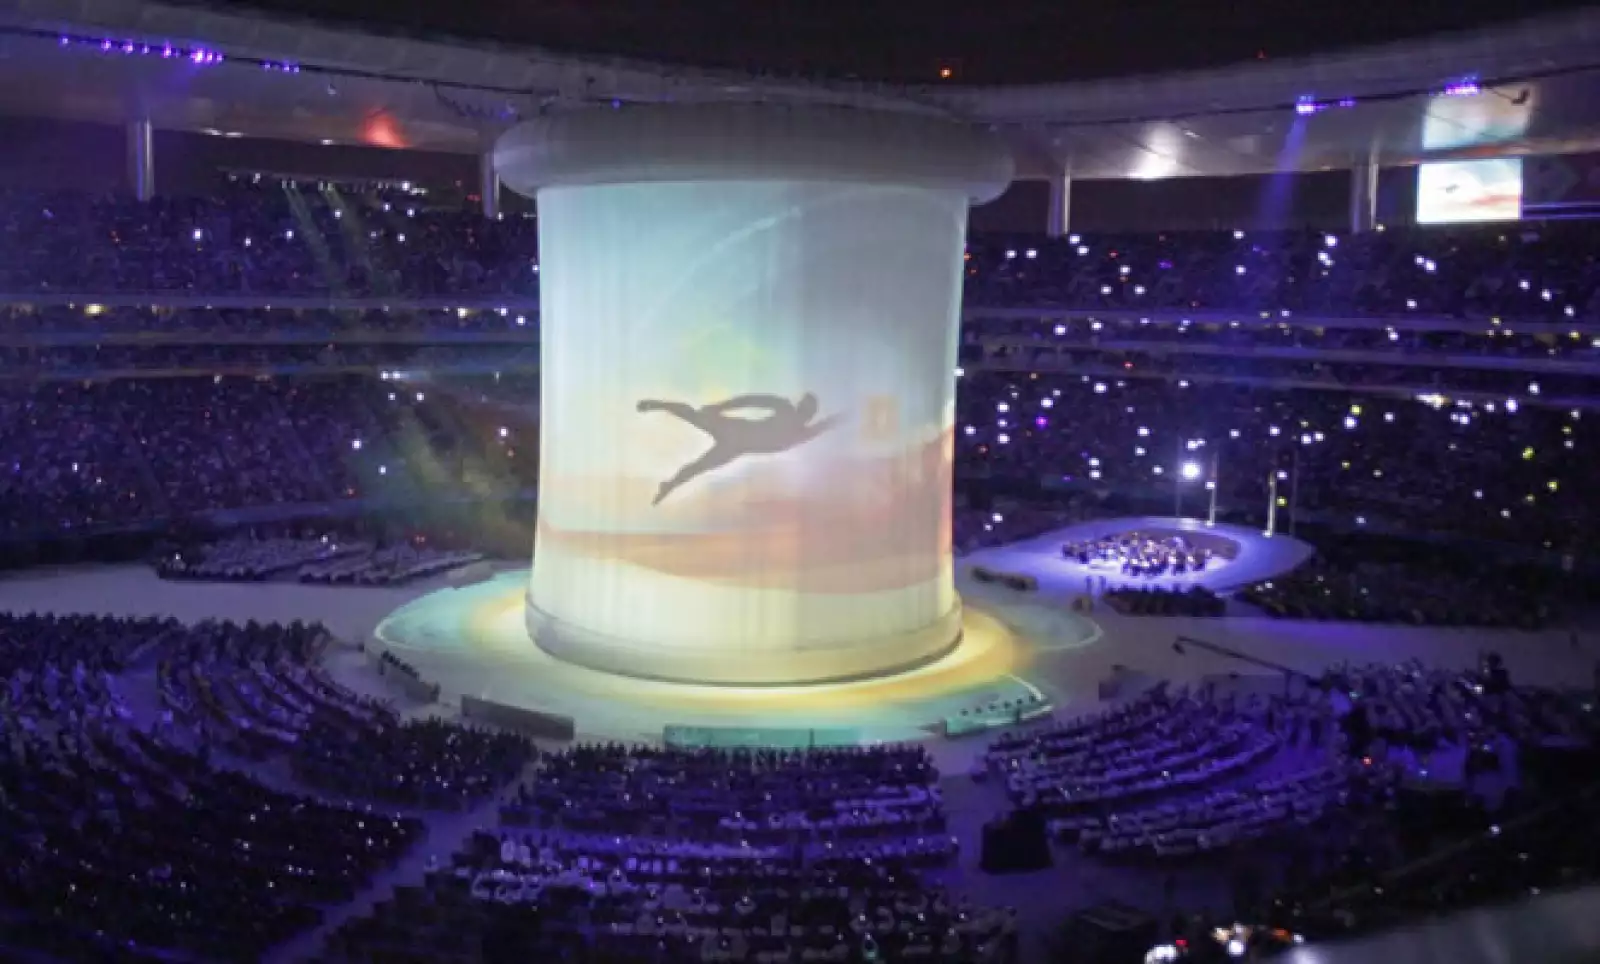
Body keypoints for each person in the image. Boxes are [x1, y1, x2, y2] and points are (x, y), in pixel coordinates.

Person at [637, 392, 841, 504]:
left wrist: (853, 413)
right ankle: (658, 405)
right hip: (734, 431)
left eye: (808, 411)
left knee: (697, 467)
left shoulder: (802, 434)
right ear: (800, 407)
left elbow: (830, 423)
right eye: (803, 407)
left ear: (810, 415)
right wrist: (720, 407)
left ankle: (669, 485)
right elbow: (750, 400)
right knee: (693, 416)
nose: (803, 413)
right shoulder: (786, 409)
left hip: (734, 449)